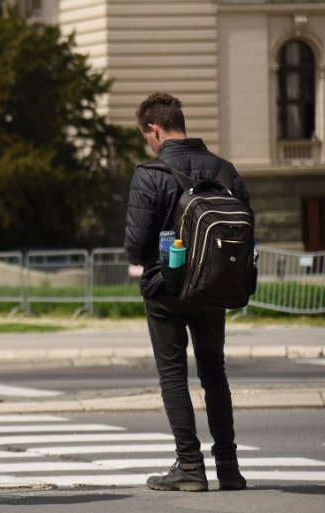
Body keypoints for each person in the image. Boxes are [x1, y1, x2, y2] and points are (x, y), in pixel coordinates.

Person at [125, 92, 249, 492]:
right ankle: (228, 467)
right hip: (213, 289)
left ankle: (190, 466)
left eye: (146, 136)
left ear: (153, 129)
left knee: (173, 376)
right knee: (215, 373)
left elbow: (134, 247)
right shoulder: (225, 171)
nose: (148, 143)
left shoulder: (150, 173)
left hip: (165, 290)